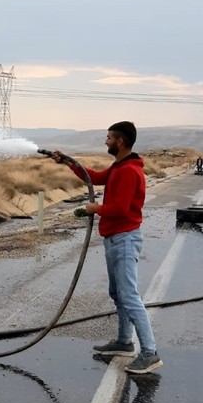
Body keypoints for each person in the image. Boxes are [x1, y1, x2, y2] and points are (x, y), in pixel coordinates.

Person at [49, 121, 161, 375]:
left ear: (121, 141)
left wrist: (95, 209)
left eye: (109, 137)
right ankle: (124, 342)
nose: (106, 141)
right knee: (118, 293)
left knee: (130, 296)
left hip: (124, 238)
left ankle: (150, 352)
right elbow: (96, 178)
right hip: (115, 237)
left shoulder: (129, 171)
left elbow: (121, 209)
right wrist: (69, 161)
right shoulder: (119, 167)